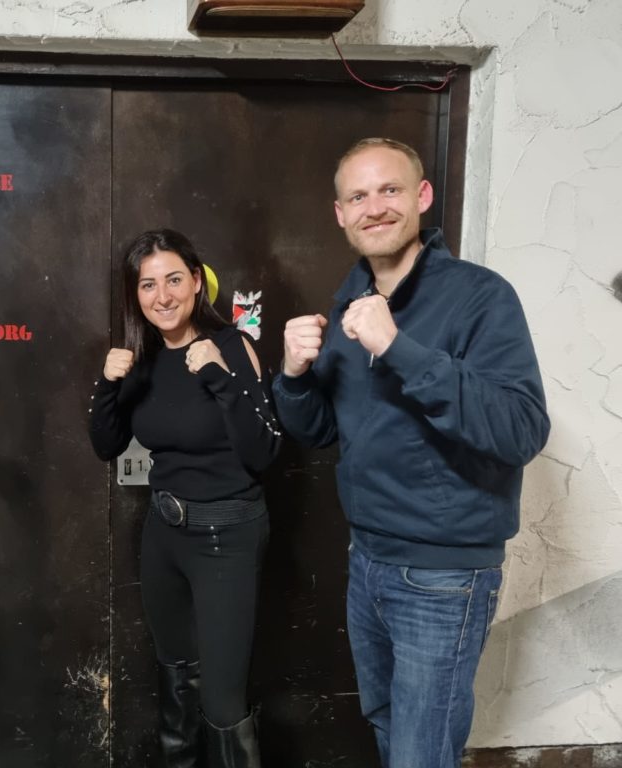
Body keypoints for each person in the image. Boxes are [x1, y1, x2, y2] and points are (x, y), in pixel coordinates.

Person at [272, 138, 550, 768]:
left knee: (421, 753)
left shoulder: (481, 296)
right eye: (358, 196)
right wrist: (291, 375)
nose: (374, 207)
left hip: (443, 576)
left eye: (390, 190)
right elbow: (319, 431)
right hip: (367, 559)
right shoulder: (349, 302)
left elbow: (521, 430)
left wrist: (397, 348)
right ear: (340, 213)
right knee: (388, 727)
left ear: (422, 196)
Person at [89, 229, 282, 767]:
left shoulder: (232, 347)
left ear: (197, 282)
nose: (163, 296)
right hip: (164, 535)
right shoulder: (143, 359)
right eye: (148, 285)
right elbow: (106, 445)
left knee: (221, 700)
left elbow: (264, 450)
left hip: (227, 535)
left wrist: (218, 376)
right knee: (175, 678)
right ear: (136, 295)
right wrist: (107, 385)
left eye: (174, 279)